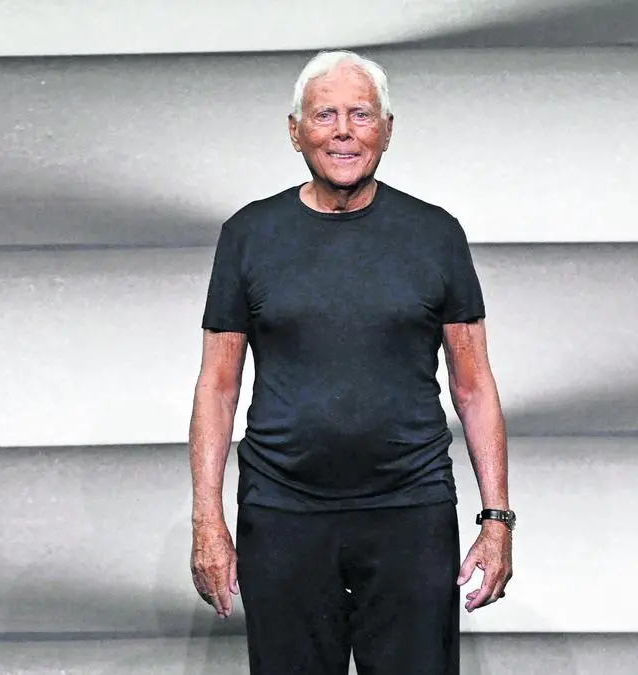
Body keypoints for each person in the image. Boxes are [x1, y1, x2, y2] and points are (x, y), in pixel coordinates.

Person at [188, 49, 514, 675]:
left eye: (361, 115)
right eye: (325, 115)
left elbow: (473, 387)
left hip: (410, 511)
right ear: (295, 131)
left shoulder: (436, 234)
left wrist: (497, 520)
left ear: (387, 130)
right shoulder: (248, 235)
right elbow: (217, 387)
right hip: (282, 513)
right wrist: (208, 520)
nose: (343, 131)